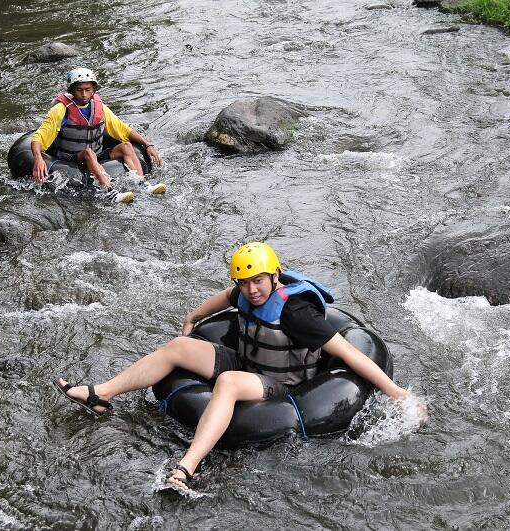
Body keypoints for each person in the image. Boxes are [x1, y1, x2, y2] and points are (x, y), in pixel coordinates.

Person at [54, 242, 426, 491]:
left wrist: (396, 392)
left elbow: (347, 352)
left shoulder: (296, 313)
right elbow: (221, 299)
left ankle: (187, 465)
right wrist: (193, 317)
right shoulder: (244, 292)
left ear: (274, 276)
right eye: (245, 283)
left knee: (229, 382)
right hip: (248, 360)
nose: (251, 290)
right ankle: (99, 394)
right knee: (179, 348)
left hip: (279, 383)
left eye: (258, 281)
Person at [30, 67, 166, 203]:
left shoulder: (100, 109)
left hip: (97, 154)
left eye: (88, 90)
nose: (84, 94)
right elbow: (38, 138)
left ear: (93, 90)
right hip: (69, 158)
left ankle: (142, 184)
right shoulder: (60, 110)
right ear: (71, 90)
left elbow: (124, 130)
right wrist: (38, 158)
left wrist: (147, 144)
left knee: (126, 146)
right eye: (79, 90)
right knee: (89, 153)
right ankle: (110, 192)